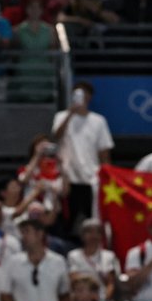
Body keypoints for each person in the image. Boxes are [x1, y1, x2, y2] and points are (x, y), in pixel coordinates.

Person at [51, 82, 114, 228]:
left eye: (83, 94)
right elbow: (56, 136)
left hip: (91, 178)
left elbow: (104, 151)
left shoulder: (99, 121)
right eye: (76, 94)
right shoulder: (61, 116)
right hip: (68, 178)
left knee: (91, 219)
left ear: (89, 97)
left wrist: (107, 177)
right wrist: (70, 114)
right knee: (67, 219)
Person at [0, 218, 69, 301]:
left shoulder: (58, 261)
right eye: (22, 233)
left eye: (26, 232)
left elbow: (65, 294)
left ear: (40, 234)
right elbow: (4, 294)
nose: (23, 237)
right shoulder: (13, 262)